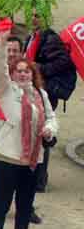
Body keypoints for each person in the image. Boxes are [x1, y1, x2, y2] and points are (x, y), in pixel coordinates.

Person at [0, 31, 57, 229]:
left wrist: (49, 129)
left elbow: (51, 118)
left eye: (27, 70)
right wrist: (2, 43)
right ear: (13, 74)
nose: (23, 74)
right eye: (19, 70)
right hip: (4, 159)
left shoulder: (40, 94)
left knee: (24, 208)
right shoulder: (5, 90)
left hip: (30, 162)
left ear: (32, 74)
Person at [25, 13, 76, 193]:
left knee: (42, 135)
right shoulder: (34, 36)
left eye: (37, 16)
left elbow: (65, 61)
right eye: (31, 15)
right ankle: (34, 177)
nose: (33, 19)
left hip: (45, 92)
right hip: (35, 90)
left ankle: (39, 181)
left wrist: (40, 68)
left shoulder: (50, 38)